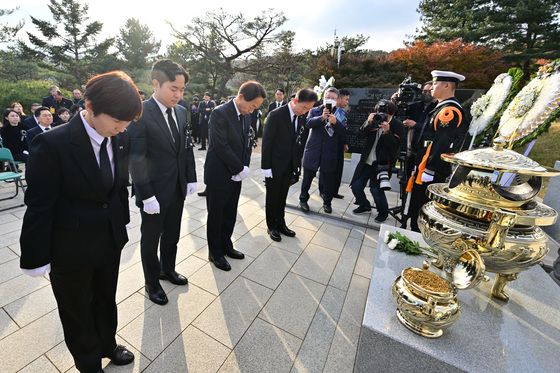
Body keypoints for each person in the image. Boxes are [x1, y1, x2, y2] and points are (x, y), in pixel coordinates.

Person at [19, 71, 143, 373]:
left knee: (106, 298)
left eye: (127, 122)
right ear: (88, 105)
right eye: (117, 120)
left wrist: (122, 224)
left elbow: (118, 186)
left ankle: (107, 344)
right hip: (70, 246)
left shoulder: (120, 137)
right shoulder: (52, 144)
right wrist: (35, 255)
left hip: (108, 239)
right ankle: (88, 363)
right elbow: (39, 204)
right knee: (76, 309)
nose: (122, 128)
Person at [128, 59, 197, 306]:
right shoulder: (141, 113)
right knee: (150, 240)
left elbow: (186, 147)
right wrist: (146, 195)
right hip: (154, 194)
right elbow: (136, 159)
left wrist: (191, 178)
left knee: (172, 235)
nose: (178, 95)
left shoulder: (180, 111)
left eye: (182, 90)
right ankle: (152, 283)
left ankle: (168, 269)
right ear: (156, 84)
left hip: (176, 188)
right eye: (173, 89)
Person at [204, 80, 266, 271]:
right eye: (252, 105)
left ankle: (226, 245)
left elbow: (247, 142)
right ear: (240, 97)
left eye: (256, 107)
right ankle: (215, 252)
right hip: (219, 174)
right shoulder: (220, 113)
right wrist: (239, 167)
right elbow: (220, 145)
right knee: (216, 214)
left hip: (236, 174)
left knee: (230, 212)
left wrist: (243, 166)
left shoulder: (246, 115)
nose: (252, 110)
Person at [407, 70, 467, 232]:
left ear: (447, 85)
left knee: (422, 209)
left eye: (435, 83)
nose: (432, 87)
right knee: (416, 207)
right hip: (423, 163)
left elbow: (442, 142)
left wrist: (430, 168)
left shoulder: (450, 111)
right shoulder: (440, 107)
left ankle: (417, 237)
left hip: (431, 168)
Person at [262, 88, 317, 241]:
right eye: (304, 107)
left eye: (309, 109)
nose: (306, 111)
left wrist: (297, 166)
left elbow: (299, 144)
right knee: (272, 197)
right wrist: (265, 167)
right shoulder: (276, 115)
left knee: (282, 197)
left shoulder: (301, 118)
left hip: (289, 165)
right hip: (273, 165)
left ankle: (281, 223)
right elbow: (267, 143)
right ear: (295, 101)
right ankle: (271, 226)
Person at [350, 100, 404, 222]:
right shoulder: (374, 120)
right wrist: (368, 123)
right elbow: (359, 135)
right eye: (379, 112)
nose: (382, 116)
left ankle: (383, 212)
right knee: (356, 186)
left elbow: (396, 148)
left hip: (382, 165)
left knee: (376, 190)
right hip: (367, 161)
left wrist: (387, 132)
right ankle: (364, 205)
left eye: (386, 114)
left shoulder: (398, 125)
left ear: (392, 114)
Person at [299, 87, 345, 214]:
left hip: (329, 153)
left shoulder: (341, 114)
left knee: (328, 180)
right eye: (328, 97)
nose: (330, 100)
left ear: (337, 99)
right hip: (313, 150)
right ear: (323, 97)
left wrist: (336, 123)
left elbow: (344, 133)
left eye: (333, 98)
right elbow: (308, 123)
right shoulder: (314, 110)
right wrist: (321, 118)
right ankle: (303, 199)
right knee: (307, 178)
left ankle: (327, 203)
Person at [320, 88, 350, 200]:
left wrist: (345, 142)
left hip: (339, 144)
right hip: (329, 144)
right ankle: (323, 191)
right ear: (339, 99)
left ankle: (334, 191)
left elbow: (343, 129)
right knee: (326, 169)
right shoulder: (329, 111)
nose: (347, 102)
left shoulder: (342, 112)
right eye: (346, 99)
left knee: (338, 168)